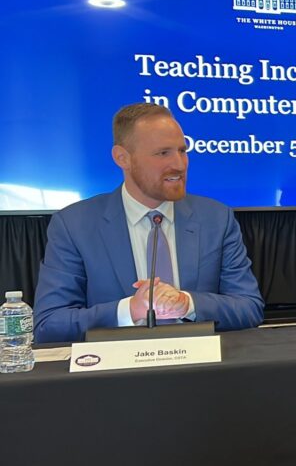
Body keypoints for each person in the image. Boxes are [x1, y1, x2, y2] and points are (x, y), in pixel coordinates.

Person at [34, 103, 264, 343]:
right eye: (162, 153)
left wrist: (188, 304)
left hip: (200, 373)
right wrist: (130, 310)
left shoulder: (216, 218)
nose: (179, 164)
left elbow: (249, 308)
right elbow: (49, 324)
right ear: (122, 158)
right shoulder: (75, 225)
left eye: (182, 150)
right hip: (116, 376)